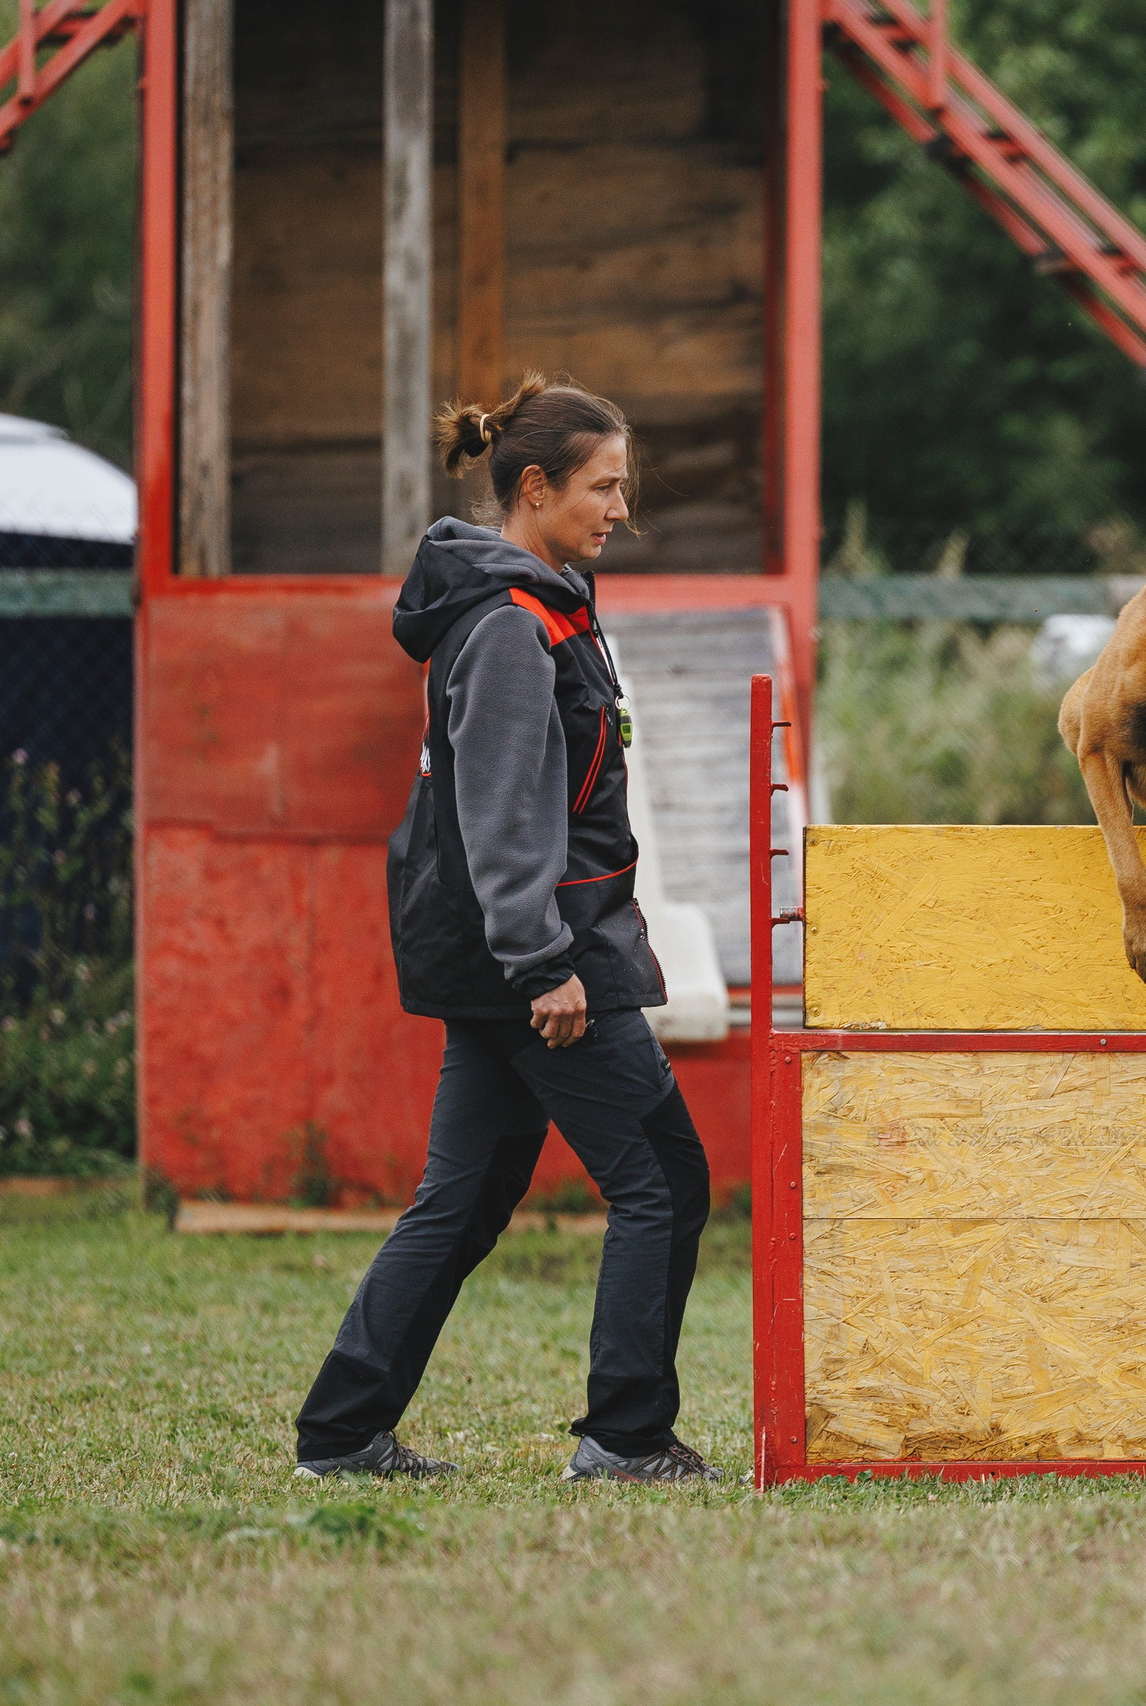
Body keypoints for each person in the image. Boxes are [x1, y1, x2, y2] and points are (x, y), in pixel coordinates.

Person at [290, 374, 719, 1484]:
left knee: (466, 1195)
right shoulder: (510, 631)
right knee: (662, 1178)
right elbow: (499, 812)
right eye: (603, 486)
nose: (620, 507)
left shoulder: (545, 604)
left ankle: (341, 1429)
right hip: (539, 959)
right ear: (536, 486)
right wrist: (543, 963)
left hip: (517, 950)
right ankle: (626, 1435)